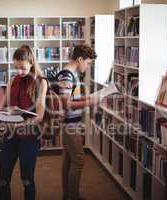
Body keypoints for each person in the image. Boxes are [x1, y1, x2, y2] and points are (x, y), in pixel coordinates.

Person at [58, 44, 119, 200]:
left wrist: (90, 97)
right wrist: (90, 103)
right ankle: (73, 196)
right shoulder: (67, 75)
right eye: (88, 63)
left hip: (70, 123)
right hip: (70, 125)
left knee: (69, 159)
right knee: (78, 160)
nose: (88, 66)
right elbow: (66, 103)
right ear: (80, 59)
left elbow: (72, 98)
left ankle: (67, 195)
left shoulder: (71, 74)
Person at [0, 45, 47, 200]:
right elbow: (4, 106)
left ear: (31, 63)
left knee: (27, 180)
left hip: (29, 138)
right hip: (10, 136)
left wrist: (18, 125)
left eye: (23, 68)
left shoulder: (41, 82)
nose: (19, 72)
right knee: (2, 180)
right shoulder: (13, 79)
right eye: (16, 67)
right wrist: (3, 114)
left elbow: (39, 116)